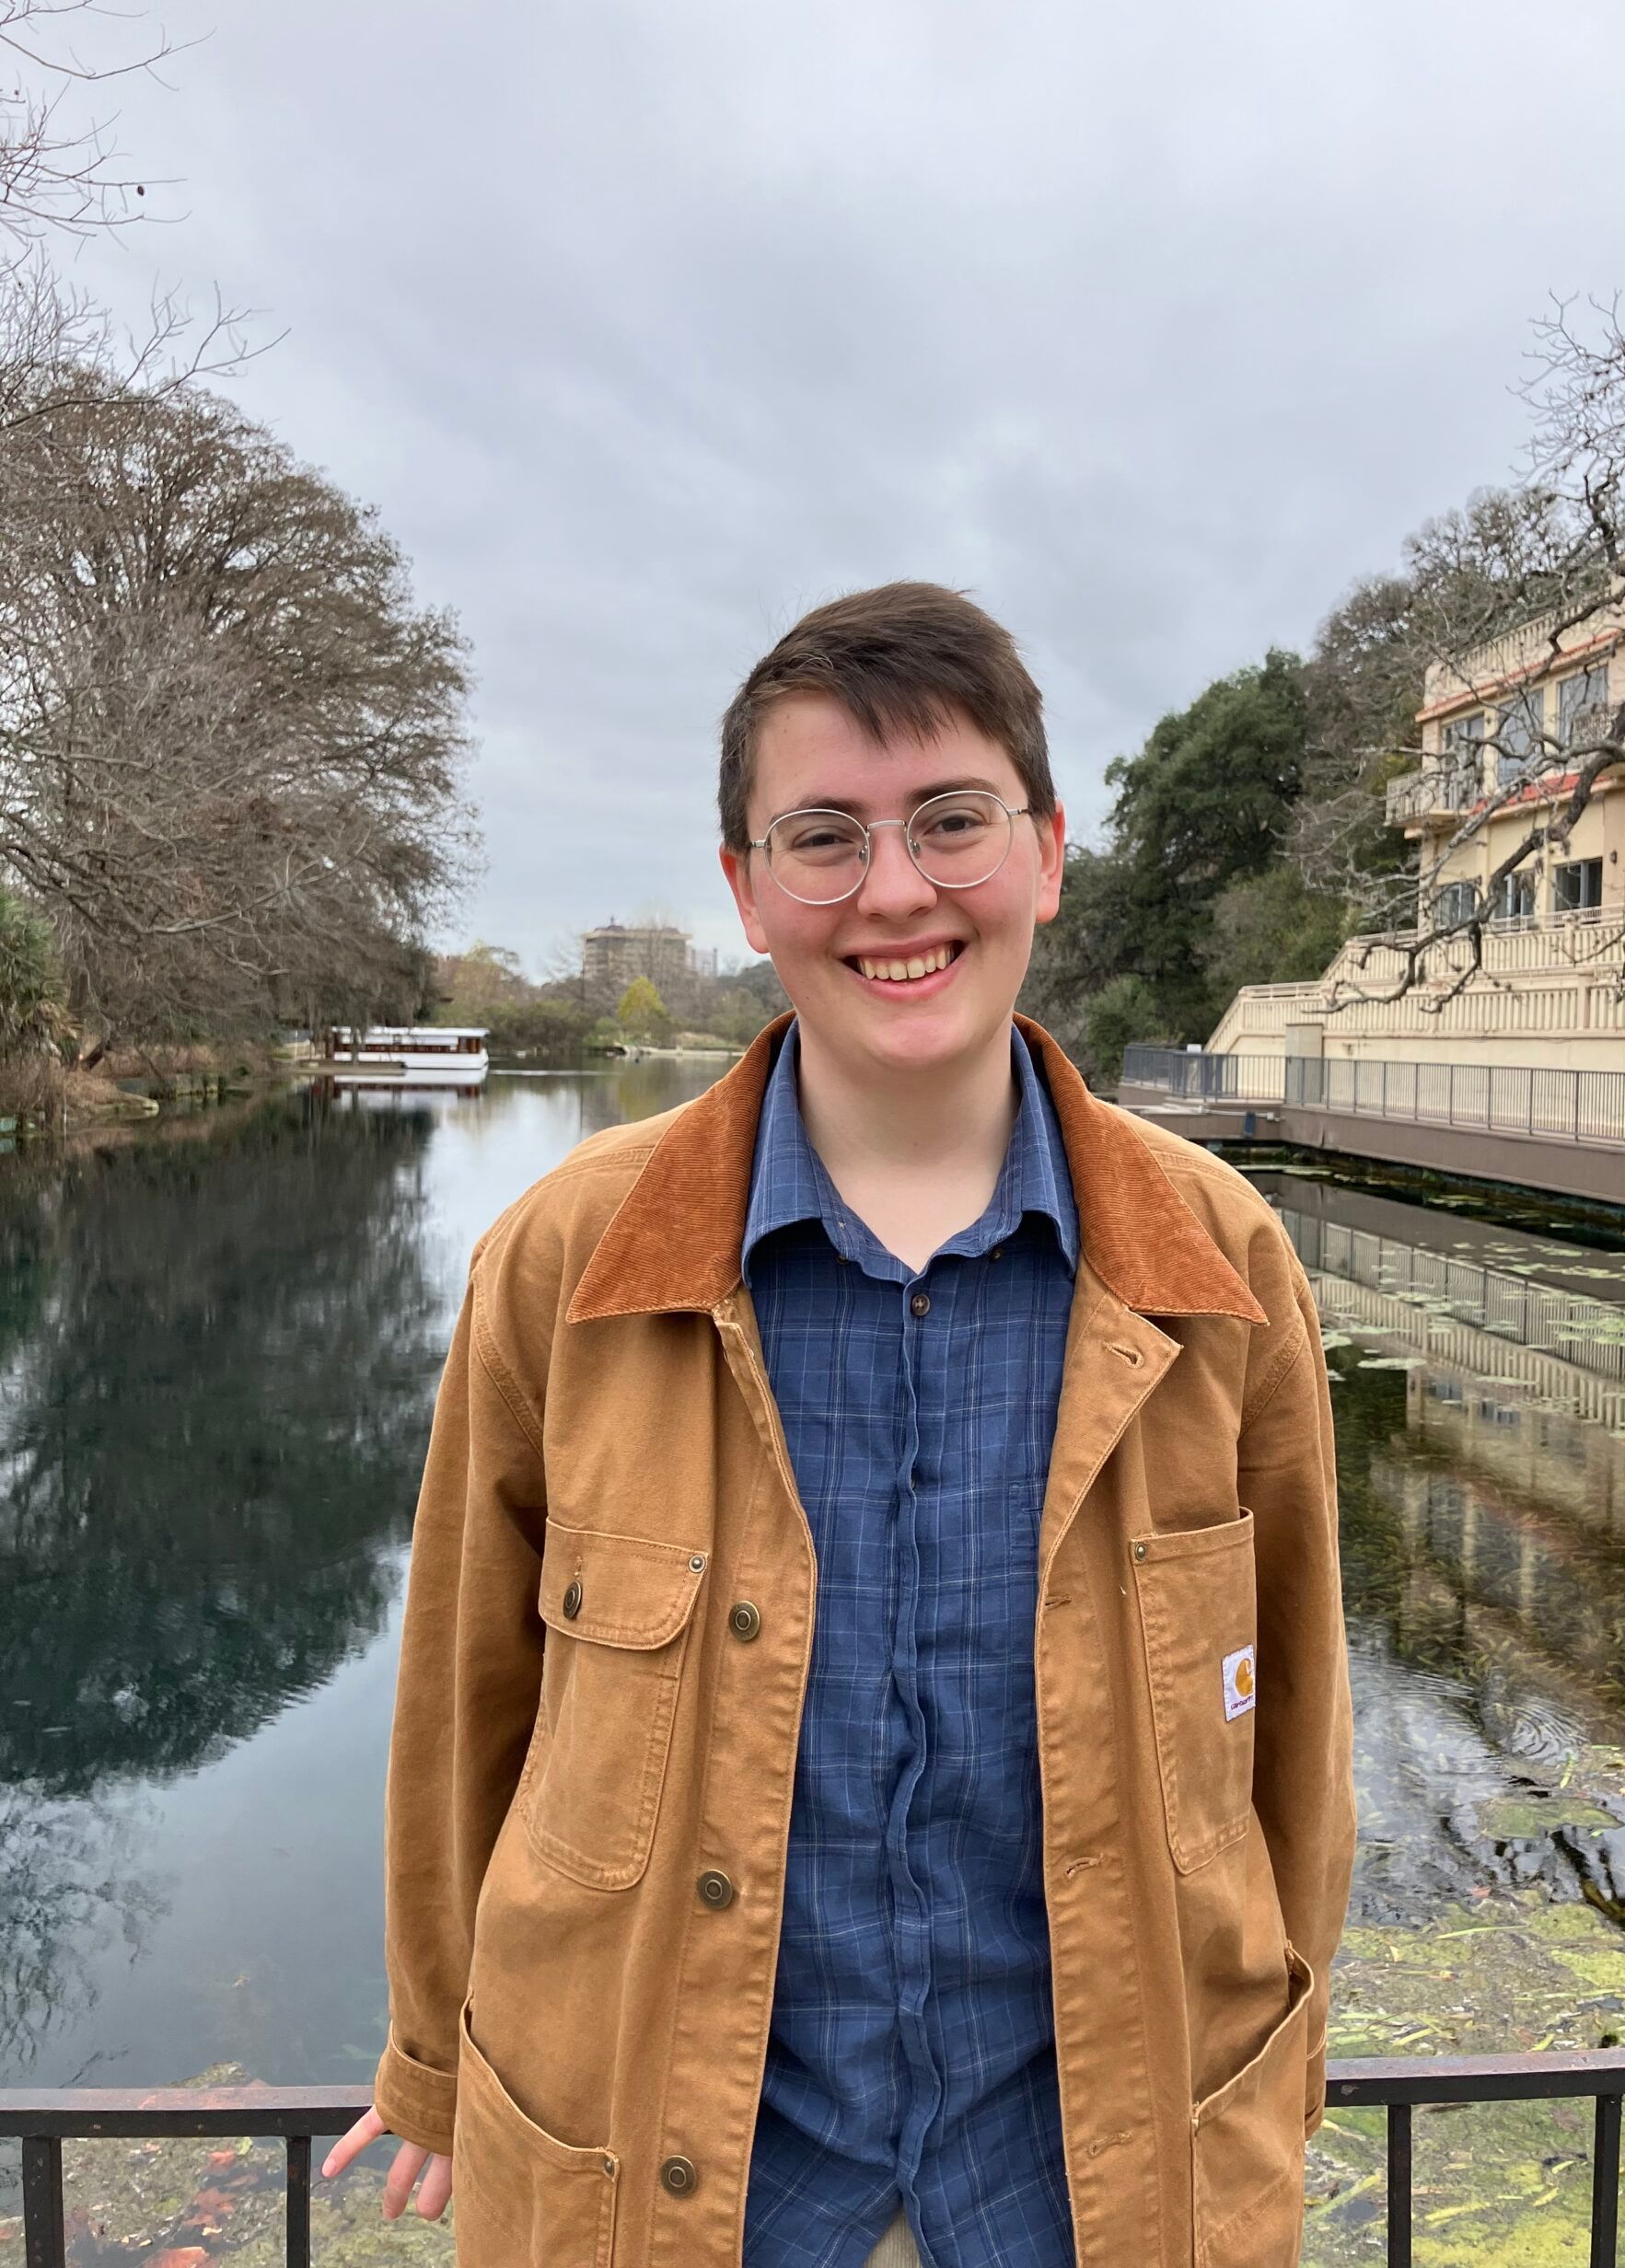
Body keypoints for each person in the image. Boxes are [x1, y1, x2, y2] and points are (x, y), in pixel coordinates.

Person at [320, 581, 1356, 2266]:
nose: (895, 892)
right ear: (744, 888)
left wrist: (1265, 2089)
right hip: (682, 2190)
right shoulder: (566, 1264)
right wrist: (437, 2055)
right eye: (824, 837)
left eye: (951, 821)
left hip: (1091, 2193)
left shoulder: (1219, 1261)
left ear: (1046, 850)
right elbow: (462, 1714)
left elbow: (1298, 1744)